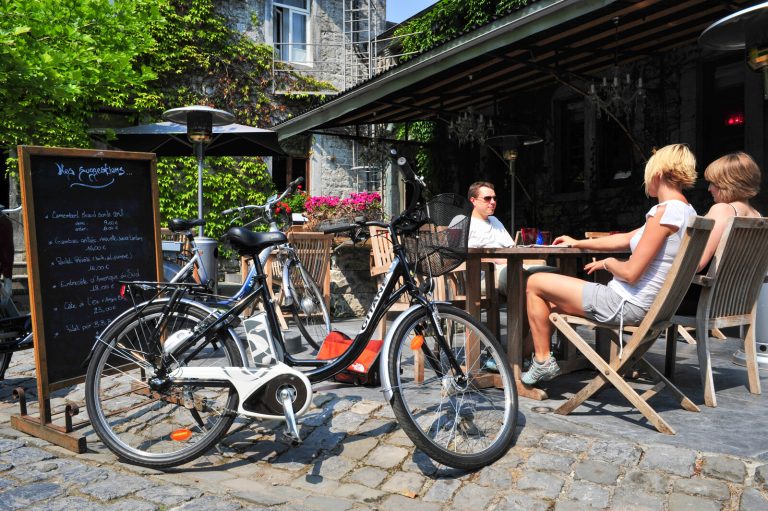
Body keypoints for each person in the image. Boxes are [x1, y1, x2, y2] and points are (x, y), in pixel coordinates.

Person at [522, 144, 698, 385]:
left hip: (625, 304)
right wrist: (578, 243)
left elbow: (631, 273)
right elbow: (626, 238)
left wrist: (609, 263)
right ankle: (521, 358)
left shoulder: (665, 212)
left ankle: (542, 361)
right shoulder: (686, 211)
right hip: (649, 306)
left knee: (535, 282)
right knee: (551, 303)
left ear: (657, 174)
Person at [677, 151, 761, 314]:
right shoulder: (757, 216)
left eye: (713, 183)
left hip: (700, 299)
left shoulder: (723, 210)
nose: (709, 189)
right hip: (735, 302)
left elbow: (697, 263)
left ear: (728, 183)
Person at [467, 181, 514, 295]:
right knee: (527, 278)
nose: (493, 202)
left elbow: (512, 247)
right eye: (487, 198)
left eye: (494, 198)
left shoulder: (495, 220)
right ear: (473, 201)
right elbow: (457, 256)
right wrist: (494, 259)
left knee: (544, 270)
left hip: (509, 267)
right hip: (484, 276)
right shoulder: (463, 222)